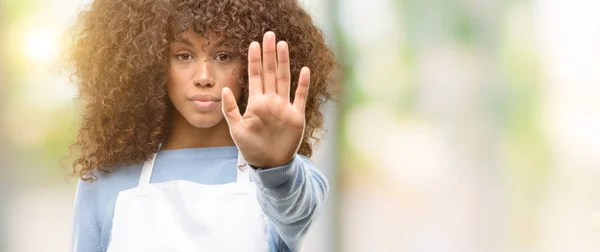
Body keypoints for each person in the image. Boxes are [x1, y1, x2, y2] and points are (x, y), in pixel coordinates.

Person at [66, 0, 337, 251]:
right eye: (184, 55)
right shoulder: (105, 182)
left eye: (224, 56)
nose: (204, 77)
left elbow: (295, 211)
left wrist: (275, 169)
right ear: (150, 63)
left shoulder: (285, 179)